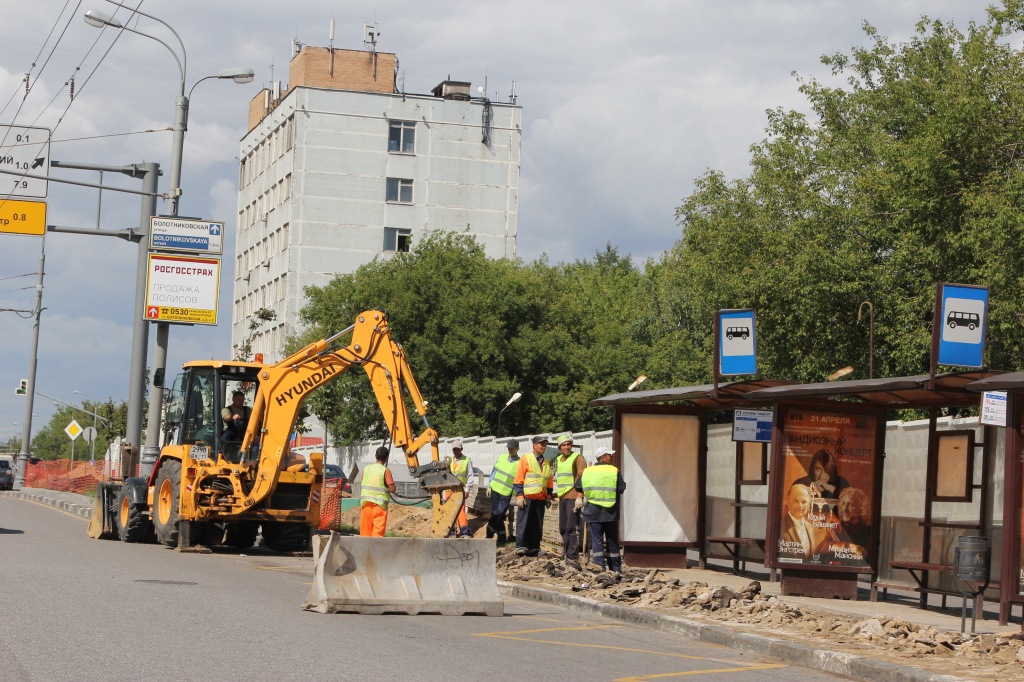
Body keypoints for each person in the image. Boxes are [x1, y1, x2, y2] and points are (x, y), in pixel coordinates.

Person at [575, 446, 626, 575]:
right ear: (603, 457)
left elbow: (578, 486)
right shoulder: (614, 471)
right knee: (612, 540)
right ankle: (615, 568)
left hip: (593, 511)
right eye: (609, 455)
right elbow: (621, 488)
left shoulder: (588, 471)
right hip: (610, 512)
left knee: (596, 540)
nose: (612, 457)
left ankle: (599, 567)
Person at [512, 434, 554, 557]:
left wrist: (549, 497)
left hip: (540, 498)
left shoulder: (546, 462)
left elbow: (549, 481)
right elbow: (519, 478)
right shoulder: (526, 459)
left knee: (537, 524)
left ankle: (534, 547)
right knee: (523, 523)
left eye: (545, 444)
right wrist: (519, 496)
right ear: (534, 445)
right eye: (541, 444)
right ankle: (521, 546)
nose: (544, 447)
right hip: (527, 498)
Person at [553, 433, 586, 561]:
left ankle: (572, 556)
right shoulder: (558, 460)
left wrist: (579, 496)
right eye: (564, 445)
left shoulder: (578, 458)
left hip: (573, 496)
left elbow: (582, 478)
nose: (567, 447)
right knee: (562, 528)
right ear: (560, 447)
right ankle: (567, 552)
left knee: (571, 527)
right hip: (563, 497)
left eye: (568, 444)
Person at [486, 440, 520, 545]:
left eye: (512, 448)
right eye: (509, 448)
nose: (510, 450)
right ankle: (501, 540)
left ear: (517, 449)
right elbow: (494, 471)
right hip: (495, 489)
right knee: (496, 514)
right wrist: (489, 485)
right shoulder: (501, 457)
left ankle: (489, 535)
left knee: (499, 514)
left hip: (506, 492)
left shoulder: (520, 463)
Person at [359, 446, 396, 537]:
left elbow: (363, 481)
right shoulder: (385, 471)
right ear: (386, 458)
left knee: (365, 534)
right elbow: (392, 489)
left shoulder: (366, 469)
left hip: (366, 505)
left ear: (375, 456)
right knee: (377, 535)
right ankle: (374, 551)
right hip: (379, 507)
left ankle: (364, 550)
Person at [779, 483, 817, 558]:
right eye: (796, 501)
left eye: (804, 502)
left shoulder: (810, 527)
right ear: (789, 502)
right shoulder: (780, 525)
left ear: (809, 504)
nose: (800, 506)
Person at [447, 440, 474, 537]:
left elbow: (470, 476)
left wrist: (467, 489)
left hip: (460, 489)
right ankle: (451, 531)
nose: (456, 451)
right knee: (449, 510)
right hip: (449, 489)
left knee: (460, 510)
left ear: (461, 449)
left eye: (457, 449)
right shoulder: (449, 460)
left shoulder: (466, 460)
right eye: (454, 449)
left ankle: (465, 531)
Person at [836, 486, 871, 551]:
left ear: (861, 508)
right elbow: (822, 548)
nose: (844, 508)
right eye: (843, 504)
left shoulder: (869, 532)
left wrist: (865, 552)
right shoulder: (836, 528)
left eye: (850, 504)